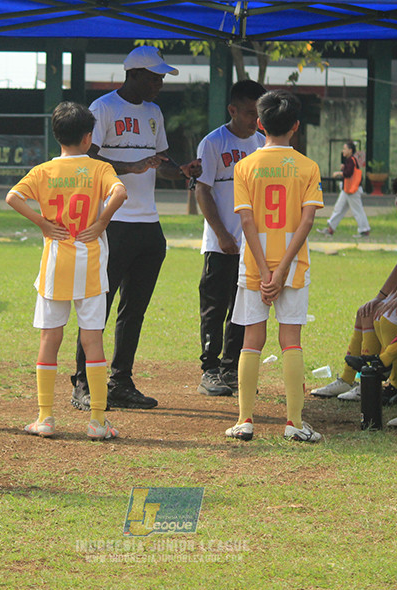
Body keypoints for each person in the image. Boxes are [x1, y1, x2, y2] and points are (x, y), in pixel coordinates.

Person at [71, 46, 202, 411]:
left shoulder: (155, 113)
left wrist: (182, 171)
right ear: (133, 75)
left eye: (161, 77)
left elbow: (158, 163)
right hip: (113, 222)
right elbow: (88, 160)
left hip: (148, 224)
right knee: (101, 305)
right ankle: (82, 383)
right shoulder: (103, 108)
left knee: (135, 309)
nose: (159, 83)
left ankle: (121, 380)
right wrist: (131, 166)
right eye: (154, 76)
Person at [6, 101, 128, 440]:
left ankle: (45, 417)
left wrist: (43, 224)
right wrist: (102, 220)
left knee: (50, 337)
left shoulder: (44, 171)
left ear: (56, 134)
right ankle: (98, 422)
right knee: (92, 340)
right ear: (88, 138)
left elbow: (12, 197)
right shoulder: (99, 169)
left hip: (55, 263)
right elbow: (120, 191)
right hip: (89, 265)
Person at [224, 91, 324, 443]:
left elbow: (247, 223)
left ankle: (244, 420)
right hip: (293, 265)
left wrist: (266, 273)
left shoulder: (245, 166)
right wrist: (281, 271)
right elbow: (307, 221)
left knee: (252, 338)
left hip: (255, 264)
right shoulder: (308, 167)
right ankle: (294, 423)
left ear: (260, 124)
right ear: (296, 126)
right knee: (290, 340)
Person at [312, 171, 397, 398]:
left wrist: (386, 297)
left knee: (384, 317)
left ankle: (392, 381)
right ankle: (350, 379)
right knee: (365, 312)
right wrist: (385, 296)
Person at [194, 79, 267, 396]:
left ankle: (231, 369)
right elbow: (203, 190)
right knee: (215, 308)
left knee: (244, 308)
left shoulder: (264, 144)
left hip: (252, 247)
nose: (255, 120)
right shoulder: (213, 143)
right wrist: (222, 234)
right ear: (232, 110)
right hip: (221, 244)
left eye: (259, 114)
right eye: (250, 113)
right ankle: (209, 370)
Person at [320, 141, 371, 237]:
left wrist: (339, 173)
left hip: (352, 191)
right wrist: (344, 168)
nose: (343, 151)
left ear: (350, 150)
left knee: (357, 210)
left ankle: (364, 230)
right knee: (338, 209)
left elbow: (348, 173)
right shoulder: (351, 160)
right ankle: (330, 228)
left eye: (345, 149)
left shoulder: (351, 160)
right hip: (347, 190)